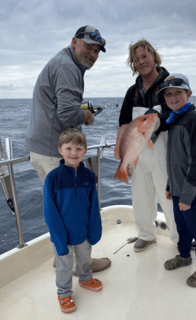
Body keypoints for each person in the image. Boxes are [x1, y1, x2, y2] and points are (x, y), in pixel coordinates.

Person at [25, 25, 111, 272]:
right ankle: (78, 264)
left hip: (42, 148)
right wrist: (86, 116)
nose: (92, 54)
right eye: (88, 47)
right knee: (71, 212)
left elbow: (60, 107)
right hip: (55, 152)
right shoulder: (67, 67)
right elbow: (65, 115)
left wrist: (80, 111)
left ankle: (61, 257)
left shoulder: (64, 62)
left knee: (59, 210)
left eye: (96, 50)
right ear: (74, 42)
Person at [118, 39, 179, 252]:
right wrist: (121, 151)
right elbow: (124, 123)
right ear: (133, 64)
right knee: (141, 196)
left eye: (145, 56)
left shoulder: (170, 85)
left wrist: (154, 124)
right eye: (136, 59)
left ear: (154, 56)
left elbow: (174, 113)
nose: (141, 61)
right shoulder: (131, 92)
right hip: (138, 152)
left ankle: (180, 238)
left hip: (164, 151)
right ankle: (146, 234)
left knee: (169, 196)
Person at [159, 73, 196, 288]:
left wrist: (188, 194)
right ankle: (184, 256)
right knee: (182, 226)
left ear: (188, 94)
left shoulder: (194, 121)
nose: (172, 97)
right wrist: (170, 185)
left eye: (177, 92)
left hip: (195, 191)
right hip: (179, 188)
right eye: (168, 94)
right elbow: (174, 159)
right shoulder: (174, 119)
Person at [44, 128, 103, 313]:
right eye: (68, 148)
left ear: (85, 151)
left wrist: (94, 230)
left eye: (78, 149)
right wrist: (59, 238)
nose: (73, 153)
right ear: (60, 150)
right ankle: (63, 293)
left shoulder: (89, 177)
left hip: (83, 232)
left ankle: (85, 278)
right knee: (64, 265)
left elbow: (94, 206)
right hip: (63, 235)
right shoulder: (52, 179)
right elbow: (50, 212)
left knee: (85, 258)